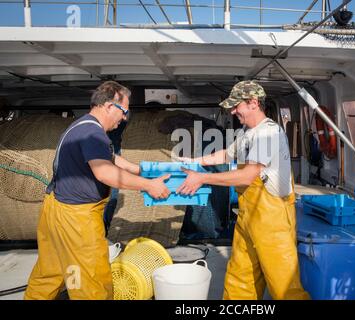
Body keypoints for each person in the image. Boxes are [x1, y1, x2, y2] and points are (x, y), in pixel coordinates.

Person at [24, 81, 171, 300]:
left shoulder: (82, 126)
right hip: (76, 218)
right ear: (109, 106)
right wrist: (150, 186)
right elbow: (105, 173)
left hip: (56, 210)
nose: (123, 118)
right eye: (124, 112)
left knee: (52, 271)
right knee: (91, 280)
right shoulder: (93, 133)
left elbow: (108, 157)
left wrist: (140, 170)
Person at [177, 80, 310, 300]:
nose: (232, 110)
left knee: (285, 286)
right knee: (240, 279)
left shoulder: (268, 133)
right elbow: (225, 155)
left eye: (236, 105)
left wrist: (202, 178)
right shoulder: (247, 132)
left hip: (272, 221)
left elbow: (249, 175)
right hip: (248, 218)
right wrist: (194, 161)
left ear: (253, 103)